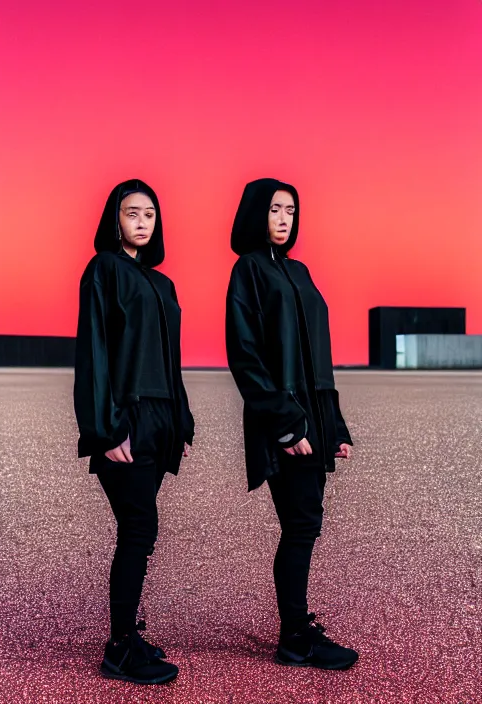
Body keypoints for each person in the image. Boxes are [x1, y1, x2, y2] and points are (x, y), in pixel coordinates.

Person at [226, 178, 358, 671]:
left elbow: (318, 358)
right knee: (300, 526)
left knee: (305, 526)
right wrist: (287, 424)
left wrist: (335, 426)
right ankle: (295, 636)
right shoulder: (249, 271)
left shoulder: (300, 272)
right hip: (285, 424)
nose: (284, 218)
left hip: (314, 421)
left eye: (291, 210)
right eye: (276, 209)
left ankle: (296, 631)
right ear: (256, 213)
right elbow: (245, 357)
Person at [74, 179, 194, 685]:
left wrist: (182, 417)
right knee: (139, 527)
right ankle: (120, 646)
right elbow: (95, 353)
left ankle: (127, 633)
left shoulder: (162, 284)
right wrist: (106, 430)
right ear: (114, 219)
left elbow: (171, 357)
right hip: (124, 421)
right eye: (131, 213)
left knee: (140, 529)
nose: (141, 222)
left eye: (149, 214)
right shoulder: (104, 270)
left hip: (160, 421)